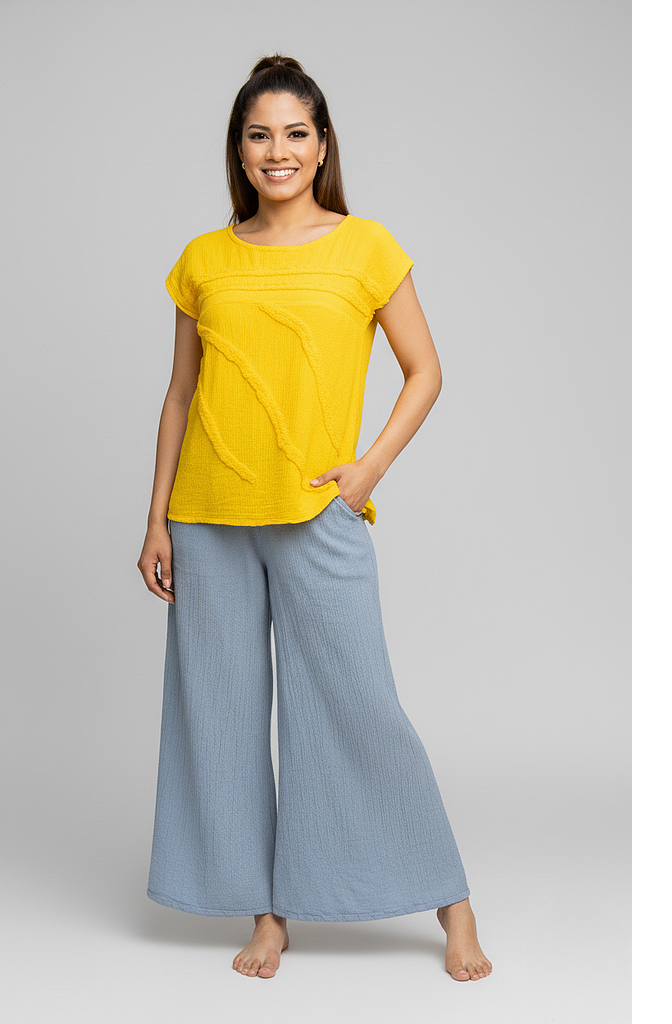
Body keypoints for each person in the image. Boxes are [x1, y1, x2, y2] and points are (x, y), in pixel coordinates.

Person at [137, 55, 492, 983]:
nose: (278, 151)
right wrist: (157, 519)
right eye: (260, 134)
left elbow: (426, 370)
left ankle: (451, 900)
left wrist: (367, 469)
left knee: (358, 706)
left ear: (323, 145)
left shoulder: (365, 246)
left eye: (296, 133)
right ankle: (269, 913)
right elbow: (180, 395)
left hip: (315, 513)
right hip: (208, 516)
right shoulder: (204, 260)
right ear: (238, 149)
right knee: (222, 719)